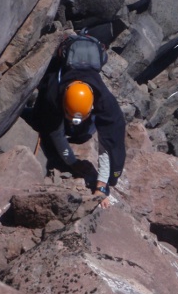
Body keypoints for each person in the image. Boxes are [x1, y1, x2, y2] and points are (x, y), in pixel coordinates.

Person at [31, 58, 126, 205]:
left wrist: (102, 186)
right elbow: (57, 134)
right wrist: (72, 162)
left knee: (84, 134)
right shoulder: (53, 95)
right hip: (58, 94)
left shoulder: (106, 104)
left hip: (83, 106)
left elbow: (108, 144)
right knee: (45, 126)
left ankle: (80, 126)